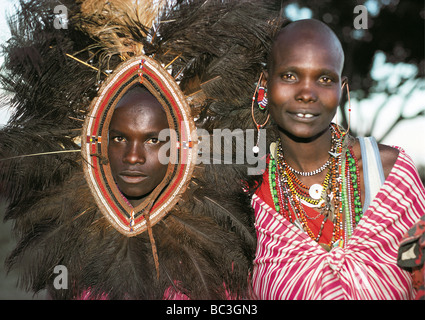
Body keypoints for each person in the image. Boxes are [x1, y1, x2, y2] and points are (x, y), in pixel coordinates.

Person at [250, 18, 425, 299]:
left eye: (324, 79)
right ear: (264, 83)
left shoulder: (391, 173)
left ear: (341, 89)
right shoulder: (247, 189)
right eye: (290, 76)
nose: (307, 93)